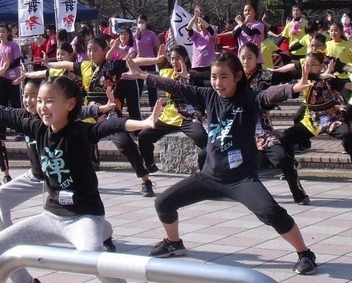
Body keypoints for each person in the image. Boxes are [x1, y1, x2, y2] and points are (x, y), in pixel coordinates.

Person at [0, 75, 163, 283]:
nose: (42, 106)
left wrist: (144, 122)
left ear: (70, 104)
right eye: (40, 101)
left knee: (92, 258)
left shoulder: (79, 132)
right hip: (51, 216)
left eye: (49, 101)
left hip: (84, 216)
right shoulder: (37, 128)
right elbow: (3, 114)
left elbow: (110, 125)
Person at [125, 54, 318, 275]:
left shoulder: (249, 99)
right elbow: (176, 86)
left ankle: (305, 253)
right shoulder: (208, 96)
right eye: (214, 77)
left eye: (224, 77)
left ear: (237, 76)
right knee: (163, 203)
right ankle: (174, 243)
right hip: (209, 176)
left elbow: (268, 96)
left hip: (241, 179)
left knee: (271, 213)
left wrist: (294, 88)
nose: (218, 83)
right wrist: (143, 76)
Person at [44, 36, 164, 188]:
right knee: (74, 144)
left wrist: (156, 60)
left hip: (110, 110)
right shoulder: (85, 66)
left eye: (95, 50)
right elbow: (66, 64)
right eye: (89, 50)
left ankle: (145, 180)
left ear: (105, 50)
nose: (92, 53)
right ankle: (71, 181)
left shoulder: (114, 65)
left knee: (126, 144)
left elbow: (136, 62)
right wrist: (49, 63)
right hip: (89, 112)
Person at [239, 43, 311, 205]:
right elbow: (205, 79)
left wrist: (312, 74)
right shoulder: (234, 77)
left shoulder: (265, 75)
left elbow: (289, 77)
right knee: (208, 155)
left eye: (249, 57)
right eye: (242, 58)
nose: (245, 61)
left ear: (257, 58)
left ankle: (298, 193)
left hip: (261, 130)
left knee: (281, 157)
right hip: (238, 129)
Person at [136, 46, 208, 196]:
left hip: (188, 115)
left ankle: (207, 173)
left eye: (178, 58)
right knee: (144, 136)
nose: (174, 61)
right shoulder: (165, 73)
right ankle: (149, 164)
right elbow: (148, 76)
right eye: (172, 58)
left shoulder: (193, 75)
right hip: (168, 115)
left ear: (185, 59)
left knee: (202, 138)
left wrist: (188, 77)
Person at [279, 52, 352, 162]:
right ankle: (291, 166)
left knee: (347, 134)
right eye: (307, 64)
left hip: (332, 118)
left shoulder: (329, 78)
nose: (309, 67)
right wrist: (273, 71)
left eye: (313, 64)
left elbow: (347, 85)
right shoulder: (302, 77)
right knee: (284, 137)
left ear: (321, 66)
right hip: (313, 119)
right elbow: (285, 71)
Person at [0, 24, 23, 140]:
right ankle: (0, 132)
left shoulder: (13, 46)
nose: (1, 34)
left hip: (12, 79)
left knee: (15, 104)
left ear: (8, 33)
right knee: (0, 106)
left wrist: (6, 67)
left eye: (3, 31)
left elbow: (17, 61)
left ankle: (19, 130)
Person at [106, 27, 142, 120]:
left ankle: (137, 129)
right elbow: (108, 57)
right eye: (121, 34)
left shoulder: (132, 47)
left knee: (133, 107)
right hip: (118, 82)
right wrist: (114, 47)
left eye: (126, 34)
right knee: (117, 106)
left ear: (130, 36)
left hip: (130, 81)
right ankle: (118, 127)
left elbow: (128, 59)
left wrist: (117, 48)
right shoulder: (116, 47)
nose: (123, 36)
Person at [135, 14, 161, 112]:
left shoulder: (151, 34)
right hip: (139, 62)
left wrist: (159, 57)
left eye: (142, 22)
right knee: (138, 84)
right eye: (139, 22)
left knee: (151, 83)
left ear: (146, 22)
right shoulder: (135, 35)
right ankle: (136, 103)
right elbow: (132, 47)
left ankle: (153, 105)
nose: (140, 24)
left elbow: (157, 46)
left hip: (150, 60)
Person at [186, 6, 216, 73]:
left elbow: (209, 28)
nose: (200, 24)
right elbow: (188, 28)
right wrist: (195, 16)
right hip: (196, 65)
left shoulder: (211, 34)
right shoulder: (196, 35)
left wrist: (200, 18)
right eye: (199, 22)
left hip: (209, 65)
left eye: (202, 22)